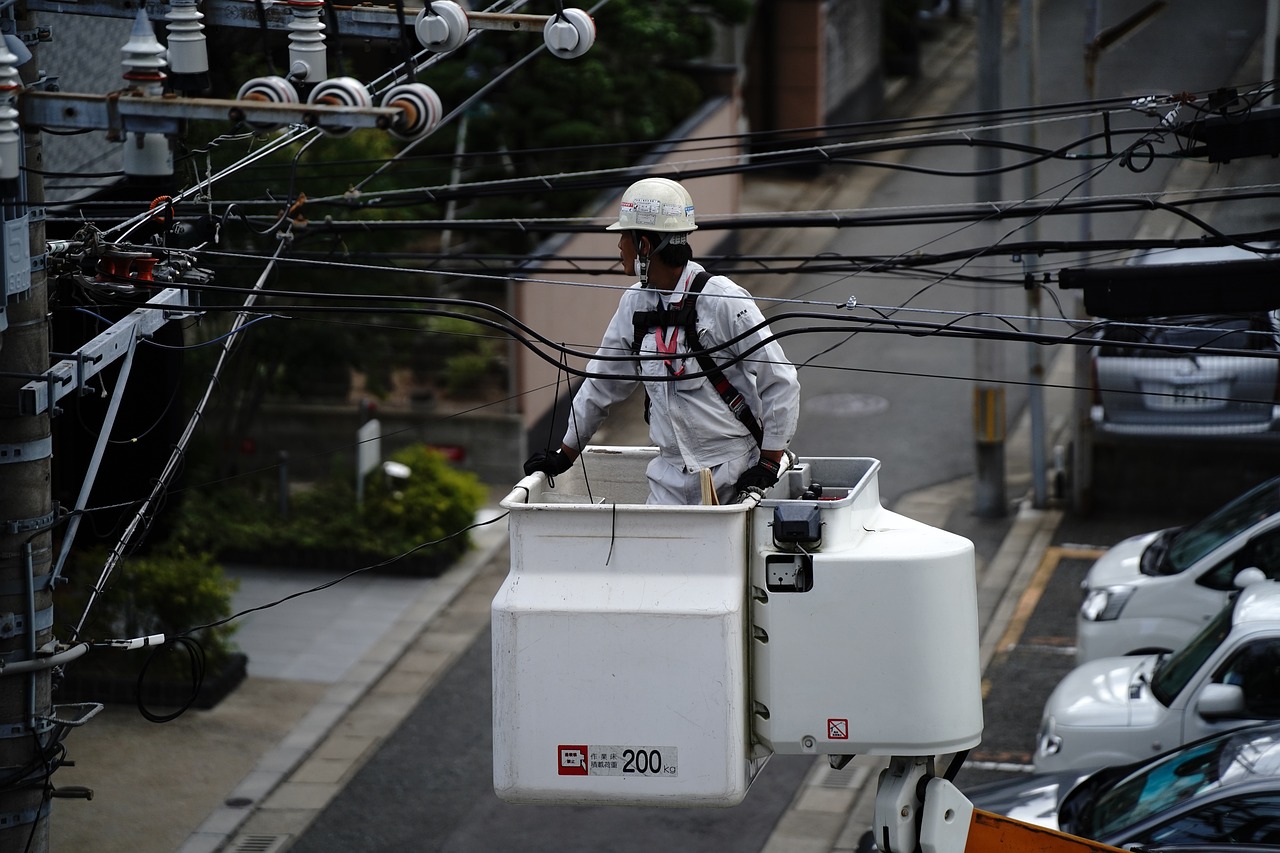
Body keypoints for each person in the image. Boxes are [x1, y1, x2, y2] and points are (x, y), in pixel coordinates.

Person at [524, 177, 801, 505]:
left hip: (735, 470)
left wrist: (768, 465)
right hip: (669, 474)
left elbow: (780, 380)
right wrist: (565, 454)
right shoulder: (634, 304)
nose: (618, 247)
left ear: (644, 245)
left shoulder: (722, 299)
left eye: (624, 237)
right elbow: (601, 383)